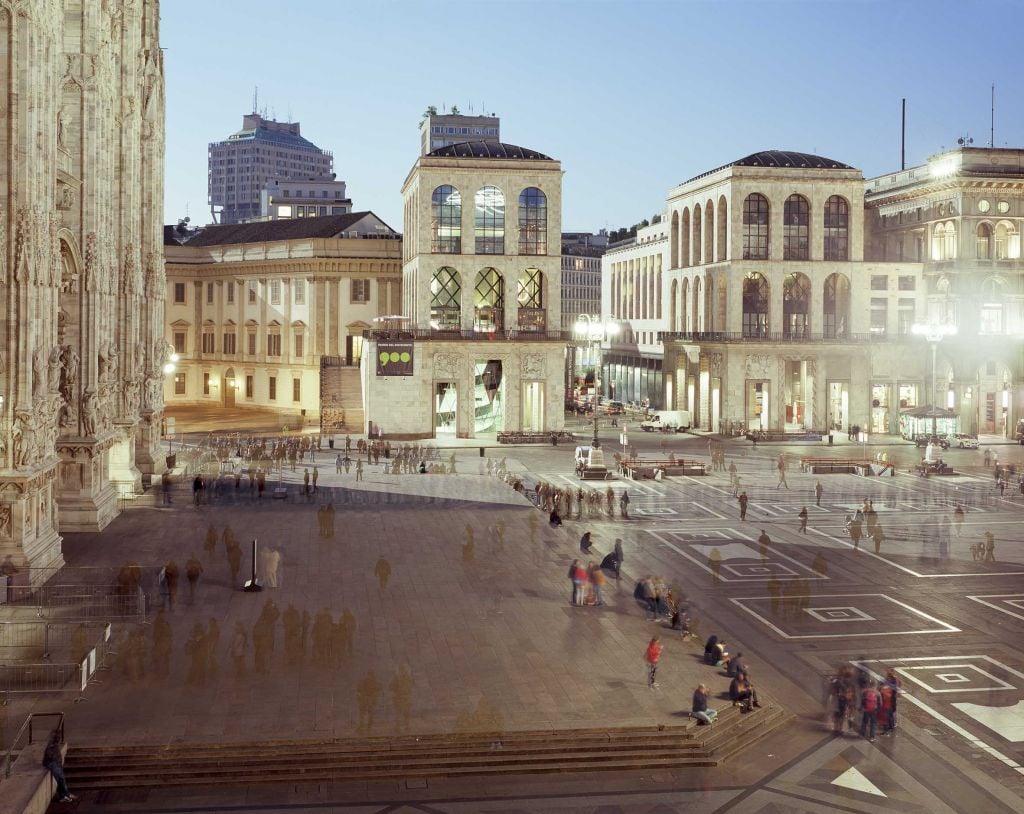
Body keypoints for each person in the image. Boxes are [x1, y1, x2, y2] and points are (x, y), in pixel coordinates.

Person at [43, 730, 76, 803]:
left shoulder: (54, 744)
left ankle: (66, 794)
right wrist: (55, 761)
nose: (59, 739)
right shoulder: (52, 745)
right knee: (61, 780)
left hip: (56, 764)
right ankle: (63, 796)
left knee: (62, 780)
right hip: (53, 764)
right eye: (58, 737)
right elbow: (49, 755)